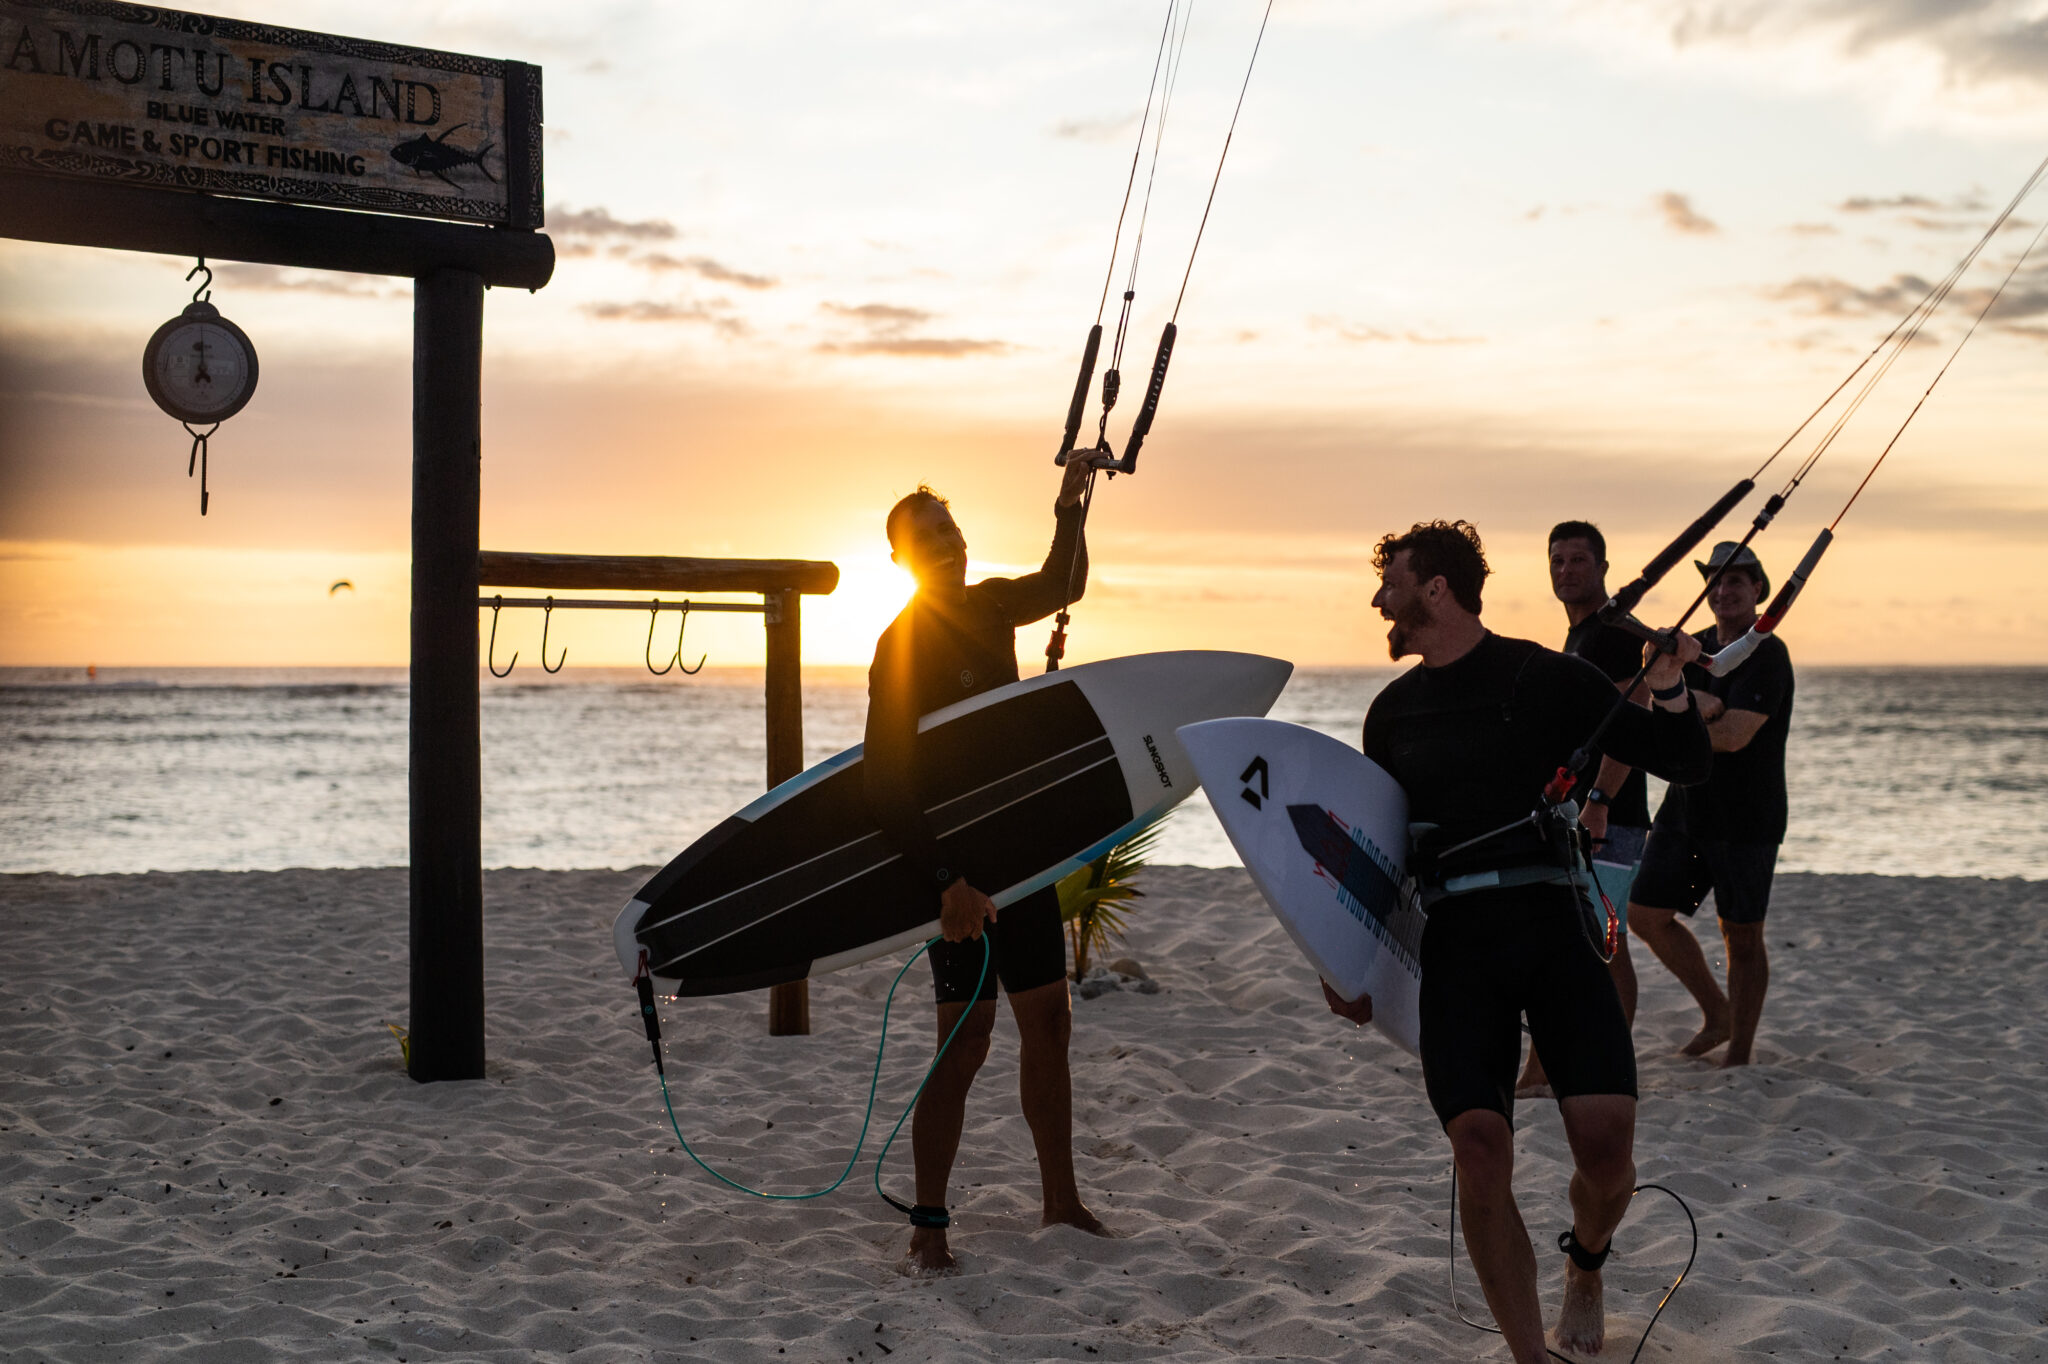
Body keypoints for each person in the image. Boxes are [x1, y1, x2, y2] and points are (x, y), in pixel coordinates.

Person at [1323, 520, 1710, 1362]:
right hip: (1458, 944)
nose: (1379, 598)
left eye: (1392, 582)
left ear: (1437, 590)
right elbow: (1383, 859)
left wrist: (1672, 680)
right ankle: (1528, 1356)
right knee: (1479, 1146)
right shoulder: (1391, 716)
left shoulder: (1545, 676)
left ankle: (1587, 1262)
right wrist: (1347, 961)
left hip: (1553, 924)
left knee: (1607, 1157)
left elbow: (1684, 757)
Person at [862, 459, 1107, 1275]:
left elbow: (1062, 579)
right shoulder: (900, 645)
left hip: (1025, 865)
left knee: (1051, 1025)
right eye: (925, 536)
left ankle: (1061, 1202)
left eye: (949, 527)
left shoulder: (995, 603)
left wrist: (1069, 506)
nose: (945, 542)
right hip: (960, 878)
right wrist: (944, 882)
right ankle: (929, 1226)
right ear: (901, 559)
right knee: (964, 1045)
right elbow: (885, 780)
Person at [1628, 541, 1795, 1069]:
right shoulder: (1690, 647)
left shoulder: (1768, 653)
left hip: (1747, 818)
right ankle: (1717, 1012)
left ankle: (1740, 1052)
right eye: (1716, 581)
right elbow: (1655, 710)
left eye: (1737, 581)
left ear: (1758, 591)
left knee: (1741, 936)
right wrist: (1698, 702)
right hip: (1685, 810)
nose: (1723, 590)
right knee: (1645, 914)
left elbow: (1735, 736)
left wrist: (1685, 712)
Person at [1514, 520, 1654, 1099]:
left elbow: (1635, 713)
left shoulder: (1614, 633)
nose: (1566, 570)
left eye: (1578, 560)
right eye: (1557, 561)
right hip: (1583, 812)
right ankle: (1598, 1061)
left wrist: (1598, 799)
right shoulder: (1580, 636)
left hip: (1609, 816)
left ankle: (1567, 1068)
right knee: (1600, 942)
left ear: (1602, 567)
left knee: (1583, 945)